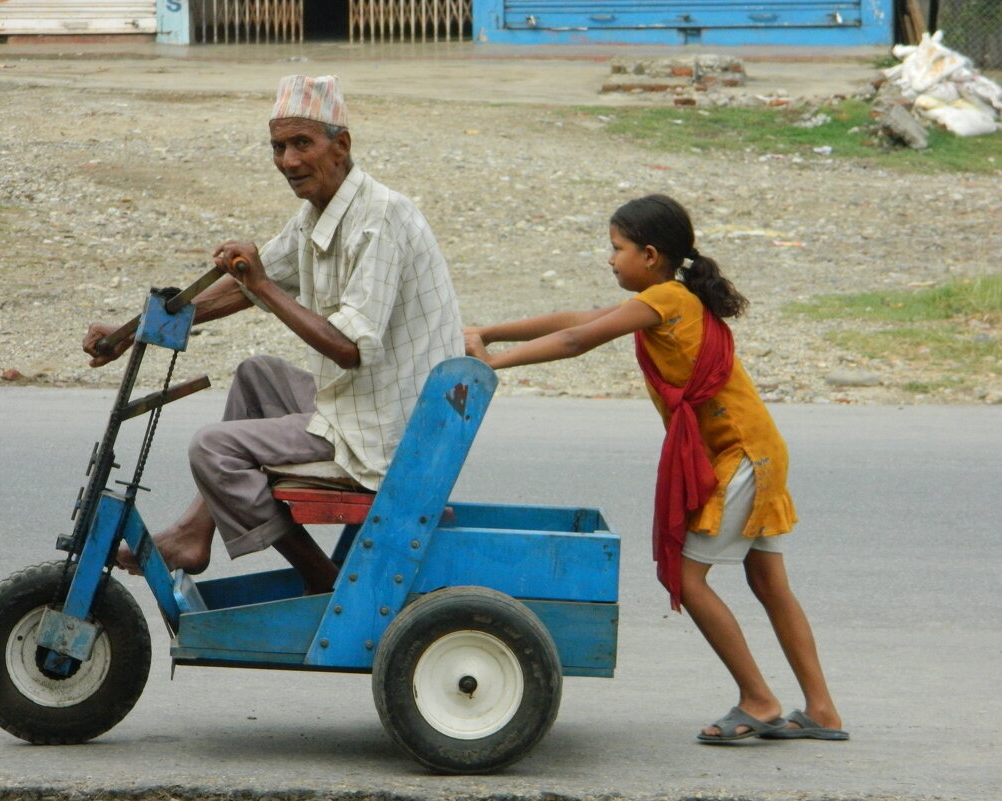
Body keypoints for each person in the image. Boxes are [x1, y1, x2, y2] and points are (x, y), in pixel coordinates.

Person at [463, 194, 846, 743]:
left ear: (649, 254)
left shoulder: (665, 297)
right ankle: (822, 710)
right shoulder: (665, 297)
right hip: (758, 448)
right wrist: (490, 332)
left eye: (615, 249)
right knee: (768, 583)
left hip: (741, 454)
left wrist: (492, 363)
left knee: (689, 582)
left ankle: (759, 700)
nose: (609, 259)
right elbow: (579, 319)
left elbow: (576, 340)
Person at [83, 75, 463, 594]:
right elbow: (244, 290)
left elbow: (347, 348)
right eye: (279, 147)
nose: (288, 161)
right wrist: (134, 331)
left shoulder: (381, 220)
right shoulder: (321, 214)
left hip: (388, 435)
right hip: (365, 406)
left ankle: (320, 577)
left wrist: (258, 280)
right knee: (257, 375)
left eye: (302, 144)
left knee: (212, 449)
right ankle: (196, 532)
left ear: (341, 145)